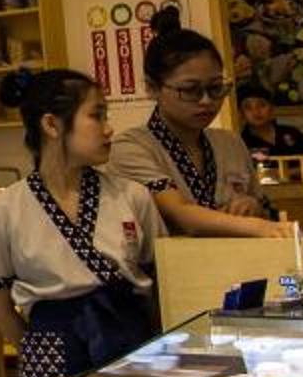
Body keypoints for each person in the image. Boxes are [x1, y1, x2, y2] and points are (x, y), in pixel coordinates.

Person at [0, 68, 164, 377]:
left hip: (132, 348)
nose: (109, 129)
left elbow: (161, 281)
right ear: (51, 124)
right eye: (96, 116)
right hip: (53, 355)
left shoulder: (132, 196)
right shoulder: (2, 210)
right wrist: (39, 350)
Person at [110, 29, 293, 239]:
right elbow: (180, 214)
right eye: (190, 90)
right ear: (152, 88)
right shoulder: (130, 147)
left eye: (215, 88)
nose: (206, 101)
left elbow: (265, 208)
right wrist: (256, 227)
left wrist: (253, 207)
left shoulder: (230, 142)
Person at [236, 83, 303, 157]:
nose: (256, 112)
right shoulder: (242, 142)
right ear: (241, 113)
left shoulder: (291, 132)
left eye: (262, 105)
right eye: (248, 107)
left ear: (271, 108)